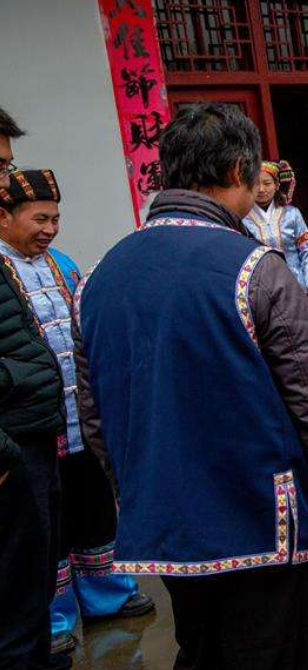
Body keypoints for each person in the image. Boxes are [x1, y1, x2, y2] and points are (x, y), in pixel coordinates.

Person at [73, 103, 308, 670]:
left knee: (200, 648)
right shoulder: (257, 269)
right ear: (240, 170)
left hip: (166, 527)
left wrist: (137, 488)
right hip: (262, 522)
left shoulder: (96, 278)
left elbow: (96, 416)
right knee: (273, 653)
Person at [0, 170, 155, 657]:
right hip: (31, 428)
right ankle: (55, 616)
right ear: (3, 219)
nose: (50, 229)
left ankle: (106, 595)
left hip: (75, 416)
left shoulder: (62, 265)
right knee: (47, 528)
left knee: (93, 511)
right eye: (39, 219)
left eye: (56, 219)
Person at [0, 113, 70, 670]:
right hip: (13, 440)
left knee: (36, 564)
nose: (5, 181)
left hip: (42, 431)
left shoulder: (57, 266)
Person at [243, 160, 308, 289]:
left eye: (267, 183)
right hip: (262, 288)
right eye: (256, 184)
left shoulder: (292, 214)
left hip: (296, 284)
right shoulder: (243, 219)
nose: (261, 189)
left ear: (276, 185)